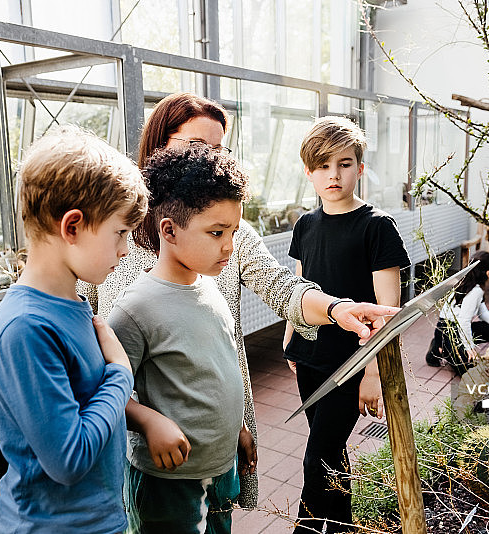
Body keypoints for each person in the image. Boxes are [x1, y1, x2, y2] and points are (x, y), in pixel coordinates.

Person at [81, 92, 402, 507]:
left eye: (218, 150)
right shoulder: (113, 235)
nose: (209, 161)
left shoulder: (229, 234)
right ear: (159, 146)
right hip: (140, 444)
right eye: (197, 147)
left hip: (217, 436)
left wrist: (335, 308)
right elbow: (86, 333)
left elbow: (281, 285)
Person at [0, 125, 148, 533]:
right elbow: (69, 460)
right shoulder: (26, 328)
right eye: (120, 233)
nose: (125, 250)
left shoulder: (73, 302)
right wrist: (120, 375)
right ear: (72, 227)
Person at [108, 145, 253, 533]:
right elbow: (103, 391)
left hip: (221, 469)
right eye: (216, 232)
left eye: (233, 231)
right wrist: (148, 423)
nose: (229, 245)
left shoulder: (209, 287)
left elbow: (217, 368)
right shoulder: (136, 309)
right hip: (169, 484)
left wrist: (237, 428)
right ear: (169, 230)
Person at [283, 116, 410, 534]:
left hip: (351, 363)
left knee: (317, 457)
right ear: (309, 171)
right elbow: (300, 286)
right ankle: (342, 527)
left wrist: (372, 372)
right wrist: (290, 339)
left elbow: (388, 310)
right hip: (309, 356)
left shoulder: (377, 226)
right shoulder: (305, 224)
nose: (333, 175)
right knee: (332, 456)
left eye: (344, 164)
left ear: (360, 167)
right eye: (322, 166)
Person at [425, 250, 489, 375]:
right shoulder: (475, 290)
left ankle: (444, 346)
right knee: (470, 371)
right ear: (488, 273)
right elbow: (464, 321)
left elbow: (482, 311)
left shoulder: (471, 284)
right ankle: (439, 348)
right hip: (449, 330)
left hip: (455, 328)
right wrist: (469, 347)